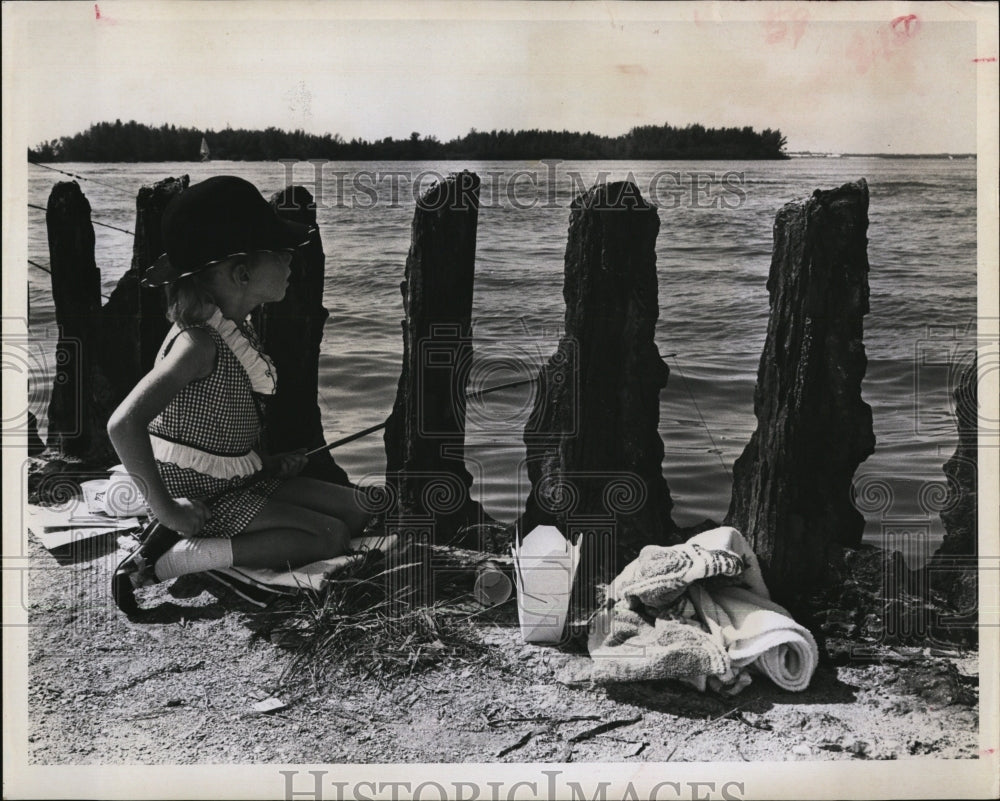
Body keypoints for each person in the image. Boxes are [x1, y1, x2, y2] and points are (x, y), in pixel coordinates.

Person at [108, 175, 371, 614]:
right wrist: (170, 510)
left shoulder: (231, 330)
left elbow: (212, 430)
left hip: (236, 479)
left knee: (360, 508)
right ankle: (176, 559)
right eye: (280, 252)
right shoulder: (197, 344)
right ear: (242, 273)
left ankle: (226, 541)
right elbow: (123, 424)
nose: (291, 259)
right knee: (330, 537)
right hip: (201, 498)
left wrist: (265, 464)